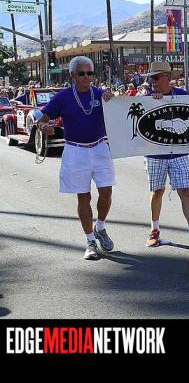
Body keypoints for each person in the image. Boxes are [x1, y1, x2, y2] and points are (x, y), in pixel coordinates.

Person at [36, 56, 116, 260]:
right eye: (82, 73)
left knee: (106, 192)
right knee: (84, 197)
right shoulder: (62, 97)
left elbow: (122, 111)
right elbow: (41, 120)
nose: (86, 77)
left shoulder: (101, 94)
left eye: (90, 73)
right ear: (72, 75)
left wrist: (114, 99)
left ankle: (100, 227)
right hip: (76, 151)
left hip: (100, 147)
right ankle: (90, 241)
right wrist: (44, 127)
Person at [141, 61, 189, 251]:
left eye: (156, 78)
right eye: (151, 78)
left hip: (178, 153)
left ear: (168, 78)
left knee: (186, 191)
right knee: (157, 191)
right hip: (155, 154)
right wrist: (151, 101)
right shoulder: (146, 97)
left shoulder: (182, 95)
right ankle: (154, 231)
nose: (153, 82)